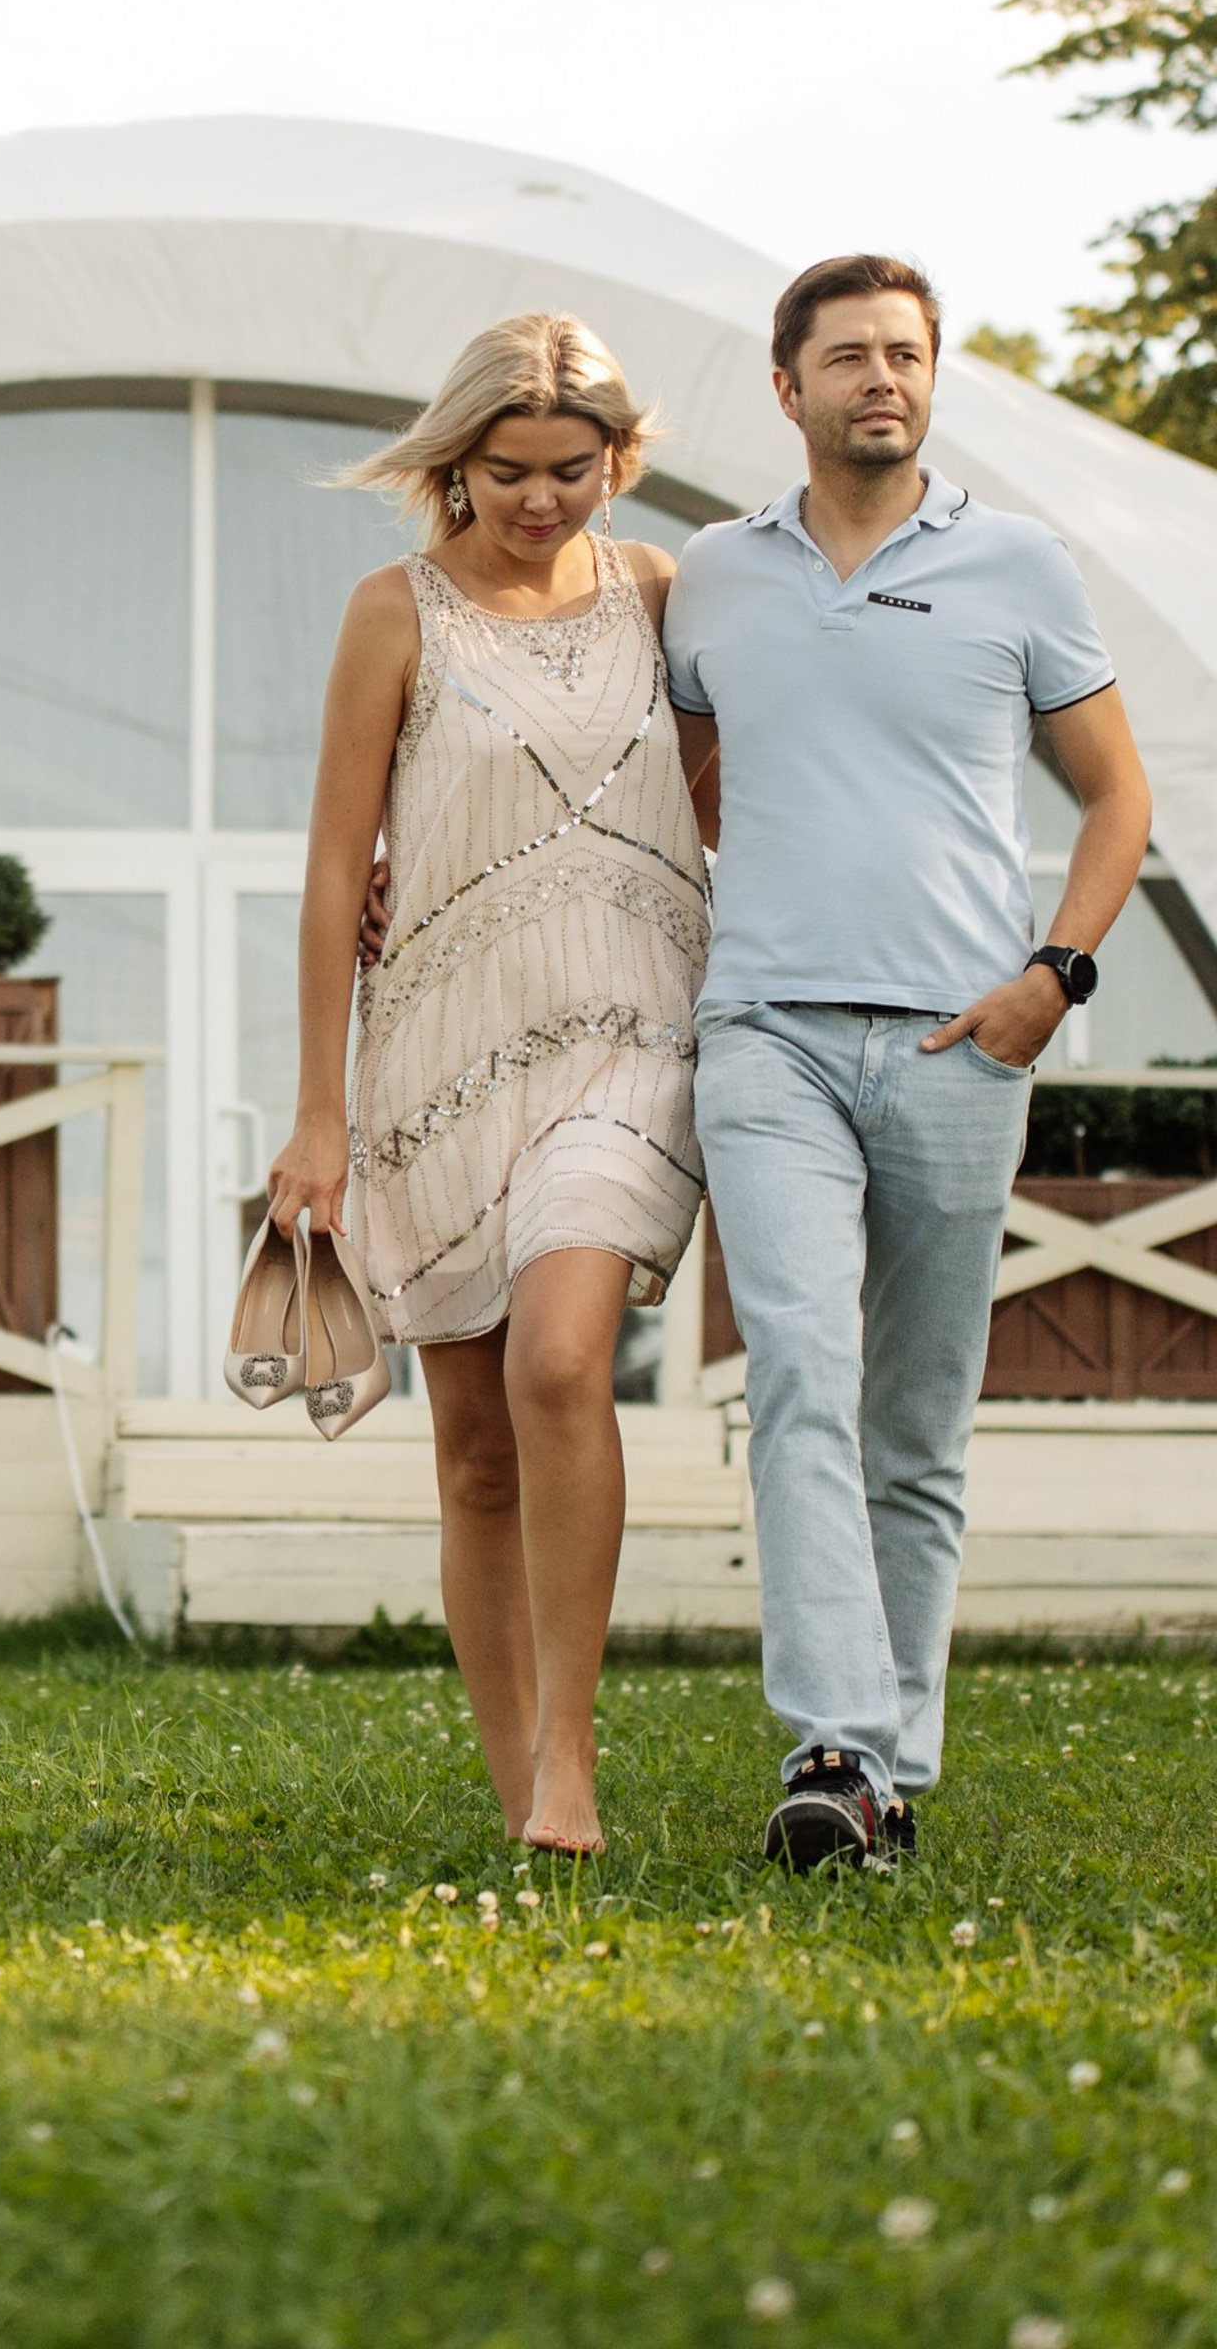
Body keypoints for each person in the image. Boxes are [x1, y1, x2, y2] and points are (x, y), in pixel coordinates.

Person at [665, 255, 1151, 1871]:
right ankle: (835, 1747)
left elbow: (1118, 801)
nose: (883, 377)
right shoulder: (714, 578)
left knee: (918, 1428)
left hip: (964, 1042)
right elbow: (668, 780)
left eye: (908, 354)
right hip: (768, 1036)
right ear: (788, 386)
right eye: (851, 356)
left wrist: (1054, 978)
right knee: (802, 1376)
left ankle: (888, 1776)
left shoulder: (1021, 565)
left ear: (932, 379)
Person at [264, 314, 711, 1858]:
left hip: (629, 1037)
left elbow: (720, 792)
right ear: (453, 462)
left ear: (619, 459)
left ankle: (575, 1765)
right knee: (470, 1449)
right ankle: (521, 1782)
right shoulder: (393, 613)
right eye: (505, 472)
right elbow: (333, 871)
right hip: (436, 1054)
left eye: (569, 472)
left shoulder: (662, 596)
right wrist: (317, 1114)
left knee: (562, 1363)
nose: (537, 502)